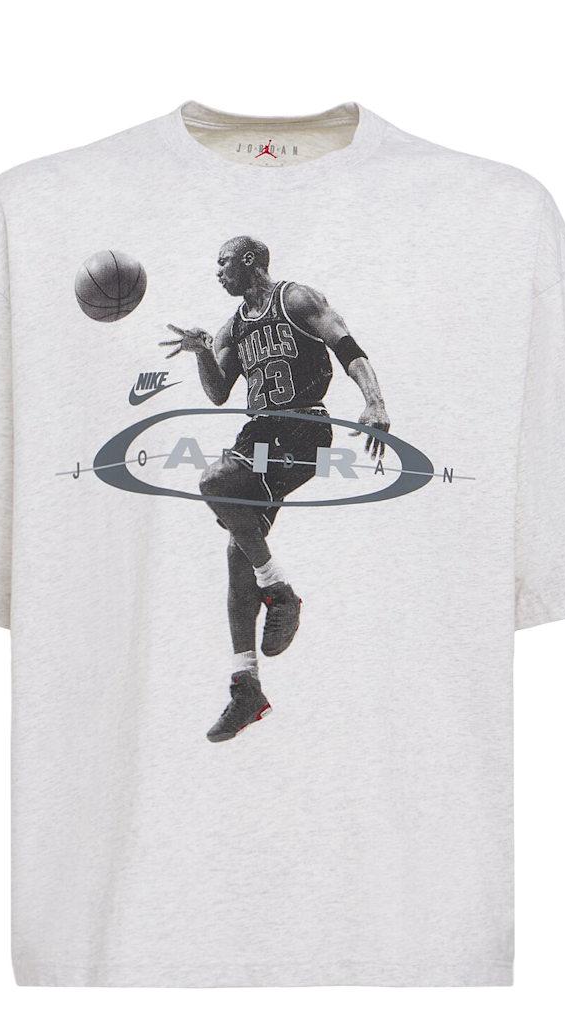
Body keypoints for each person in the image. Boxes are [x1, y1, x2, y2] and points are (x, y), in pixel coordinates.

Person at [161, 235, 390, 741]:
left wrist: (374, 401)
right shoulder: (232, 327)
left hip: (304, 427)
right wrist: (201, 352)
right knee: (237, 551)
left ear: (248, 261)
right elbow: (218, 392)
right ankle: (246, 684)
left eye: (223, 262)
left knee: (214, 480)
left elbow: (348, 347)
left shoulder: (296, 299)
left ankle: (279, 589)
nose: (217, 272)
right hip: (260, 433)